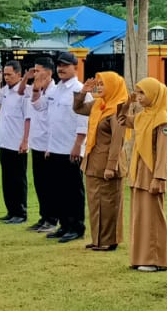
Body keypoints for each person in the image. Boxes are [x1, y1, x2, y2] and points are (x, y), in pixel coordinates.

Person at [34, 50, 88, 243]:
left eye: (65, 65)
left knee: (73, 190)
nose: (61, 69)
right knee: (58, 189)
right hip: (55, 147)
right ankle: (64, 225)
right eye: (59, 65)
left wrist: (78, 145)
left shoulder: (81, 90)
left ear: (75, 67)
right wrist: (36, 89)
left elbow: (83, 121)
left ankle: (76, 227)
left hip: (70, 148)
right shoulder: (57, 90)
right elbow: (44, 112)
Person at [75, 71, 128, 251]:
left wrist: (111, 166)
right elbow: (77, 108)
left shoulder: (118, 109)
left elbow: (117, 141)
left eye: (102, 84)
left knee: (109, 203)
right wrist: (83, 92)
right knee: (95, 203)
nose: (99, 87)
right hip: (93, 162)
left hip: (107, 165)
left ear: (113, 86)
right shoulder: (99, 104)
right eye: (98, 84)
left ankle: (109, 241)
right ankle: (97, 239)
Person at [125, 77, 167, 271]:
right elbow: (122, 120)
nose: (139, 97)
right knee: (141, 216)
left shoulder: (162, 118)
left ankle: (155, 259)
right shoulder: (143, 116)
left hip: (152, 173)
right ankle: (141, 257)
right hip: (139, 172)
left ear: (154, 94)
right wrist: (127, 104)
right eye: (138, 92)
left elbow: (163, 151)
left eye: (142, 92)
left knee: (153, 216)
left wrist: (159, 177)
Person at [0, 62, 29, 224]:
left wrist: (25, 141)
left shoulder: (24, 92)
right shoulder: (5, 91)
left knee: (18, 179)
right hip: (4, 141)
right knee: (7, 178)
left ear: (19, 75)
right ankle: (11, 211)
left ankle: (20, 212)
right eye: (5, 75)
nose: (7, 77)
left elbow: (28, 118)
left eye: (10, 74)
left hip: (17, 143)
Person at [23, 57, 58, 234]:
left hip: (48, 146)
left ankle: (52, 219)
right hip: (36, 144)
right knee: (39, 183)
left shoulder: (55, 92)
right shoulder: (37, 91)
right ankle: (44, 216)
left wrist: (50, 145)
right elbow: (33, 113)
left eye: (38, 71)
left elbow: (53, 122)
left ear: (49, 72)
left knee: (49, 184)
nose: (35, 74)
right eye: (34, 71)